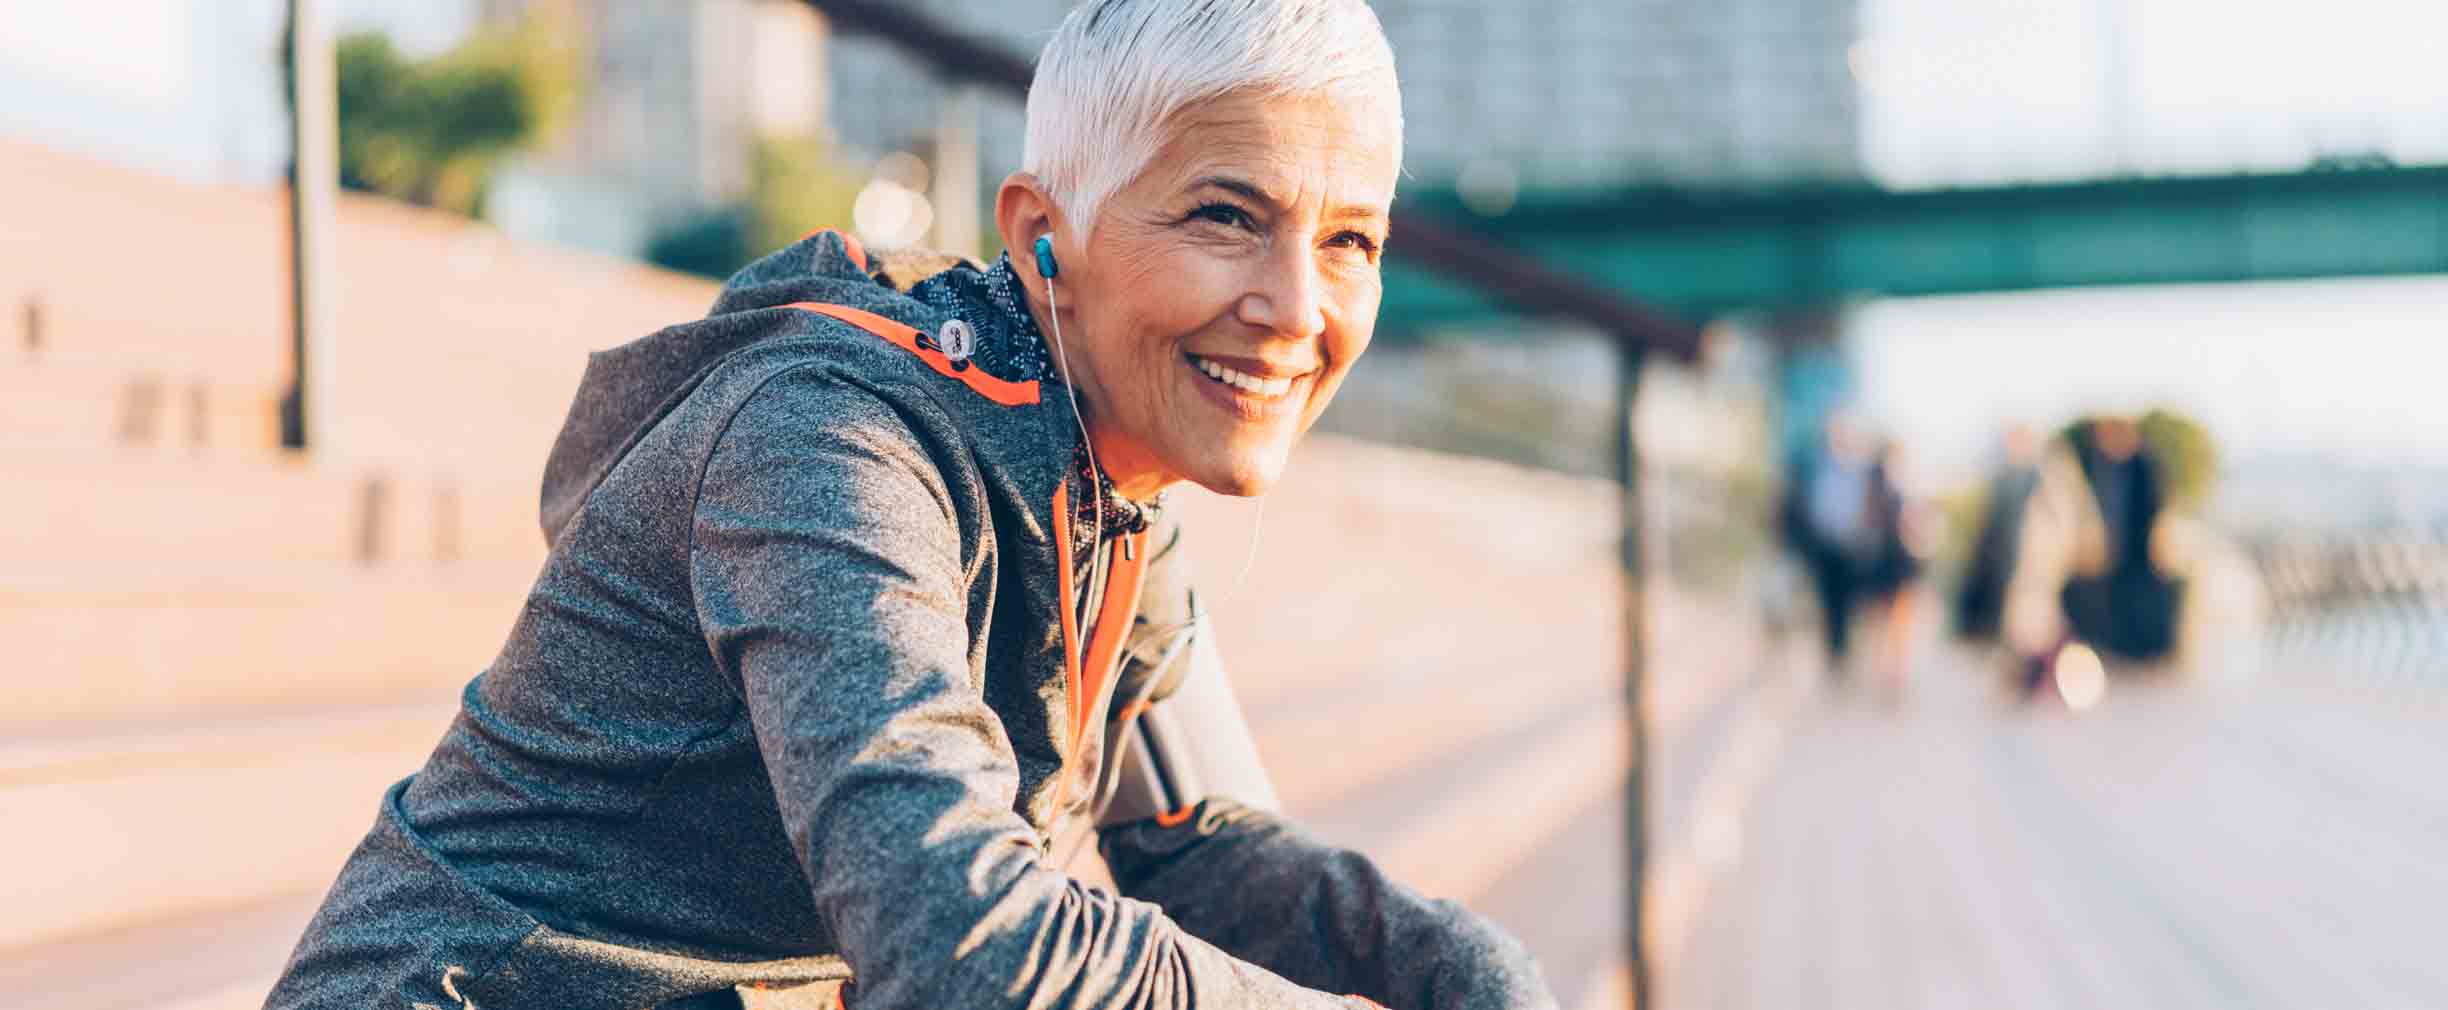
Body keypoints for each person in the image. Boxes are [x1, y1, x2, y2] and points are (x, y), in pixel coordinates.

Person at [262, 3, 1554, 1009]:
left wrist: (1457, 964)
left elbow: (1183, 841)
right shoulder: (834, 443)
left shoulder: (1107, 482)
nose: (1295, 307)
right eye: (1228, 215)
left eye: (1351, 242)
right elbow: (964, 950)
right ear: (1045, 237)